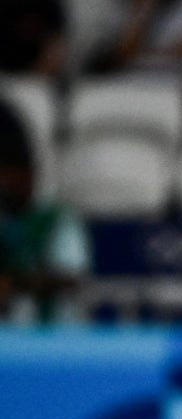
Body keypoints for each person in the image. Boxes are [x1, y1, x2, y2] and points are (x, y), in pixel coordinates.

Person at [0, 97, 92, 324]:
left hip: (54, 335)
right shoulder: (5, 220)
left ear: (28, 173)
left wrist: (16, 283)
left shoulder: (57, 218)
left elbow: (72, 277)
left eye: (9, 175)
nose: (5, 184)